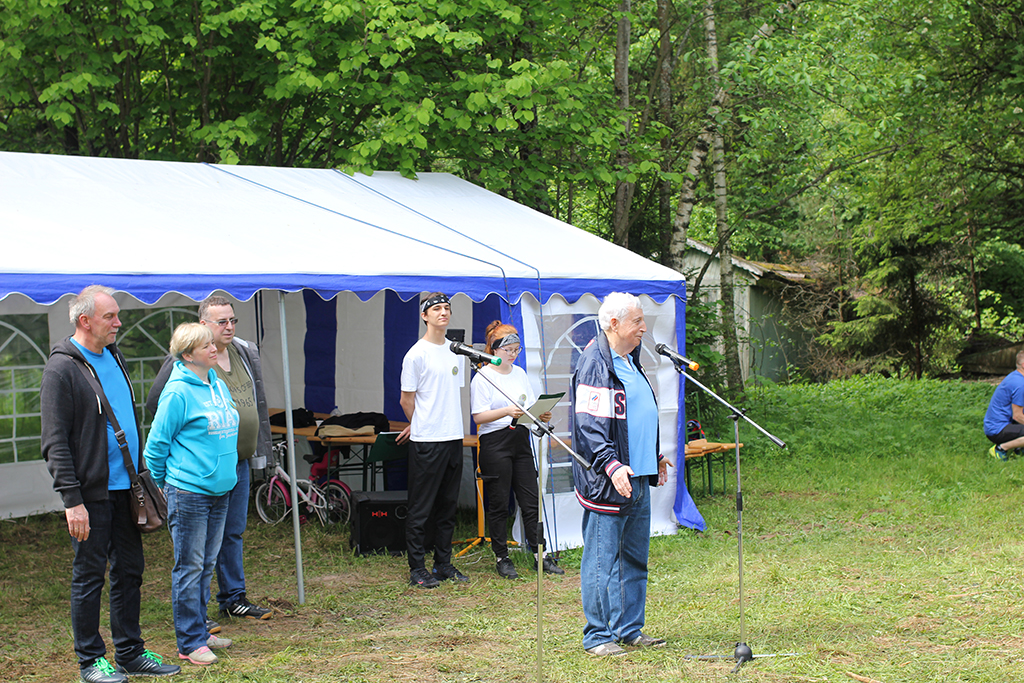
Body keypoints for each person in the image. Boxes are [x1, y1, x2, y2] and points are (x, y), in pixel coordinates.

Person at [40, 285, 181, 683]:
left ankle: (130, 653)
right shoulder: (62, 369)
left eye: (117, 315)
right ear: (85, 321)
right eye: (110, 316)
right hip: (91, 494)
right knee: (89, 576)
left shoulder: (114, 355)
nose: (119, 322)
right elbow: (54, 441)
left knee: (130, 571)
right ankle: (90, 661)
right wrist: (72, 500)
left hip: (127, 488)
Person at [147, 296, 272, 630]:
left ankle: (232, 598)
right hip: (195, 476)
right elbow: (157, 417)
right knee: (195, 556)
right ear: (203, 325)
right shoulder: (184, 370)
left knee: (230, 534)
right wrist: (170, 474)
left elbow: (255, 403)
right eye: (222, 322)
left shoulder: (241, 355)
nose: (229, 327)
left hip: (233, 466)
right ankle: (195, 625)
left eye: (233, 320)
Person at [570, 292, 671, 657]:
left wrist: (653, 455)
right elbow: (590, 426)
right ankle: (598, 636)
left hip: (638, 475)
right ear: (614, 324)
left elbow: (633, 416)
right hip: (609, 480)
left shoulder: (630, 359)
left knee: (633, 558)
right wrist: (611, 464)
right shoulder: (595, 363)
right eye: (637, 321)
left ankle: (628, 629)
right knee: (601, 561)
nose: (644, 328)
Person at [144, 323, 239, 666]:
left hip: (220, 490)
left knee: (206, 564)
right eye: (205, 346)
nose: (214, 348)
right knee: (190, 566)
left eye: (212, 343)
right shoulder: (177, 393)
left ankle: (201, 630)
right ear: (187, 355)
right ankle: (189, 641)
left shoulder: (216, 383)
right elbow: (155, 446)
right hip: (189, 492)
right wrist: (165, 484)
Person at [470, 321, 564, 579]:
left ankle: (540, 554)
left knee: (531, 499)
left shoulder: (520, 373)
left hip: (520, 439)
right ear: (494, 349)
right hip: (495, 441)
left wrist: (540, 414)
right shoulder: (483, 377)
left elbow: (528, 406)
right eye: (508, 350)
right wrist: (506, 411)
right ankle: (502, 557)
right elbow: (478, 416)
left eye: (516, 350)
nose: (513, 354)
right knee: (499, 502)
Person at [398, 293, 469, 588]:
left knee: (448, 507)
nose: (443, 313)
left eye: (447, 308)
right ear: (424, 316)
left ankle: (443, 563)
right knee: (421, 508)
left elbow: (452, 392)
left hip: (453, 437)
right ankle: (417, 568)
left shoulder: (456, 351)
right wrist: (420, 425)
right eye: (437, 308)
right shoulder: (416, 354)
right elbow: (406, 399)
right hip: (428, 440)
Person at [983, 350, 1024, 460]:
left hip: (1003, 424)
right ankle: (1001, 448)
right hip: (997, 430)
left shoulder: (1016, 376)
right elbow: (1017, 416)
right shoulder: (1020, 384)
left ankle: (1019, 449)